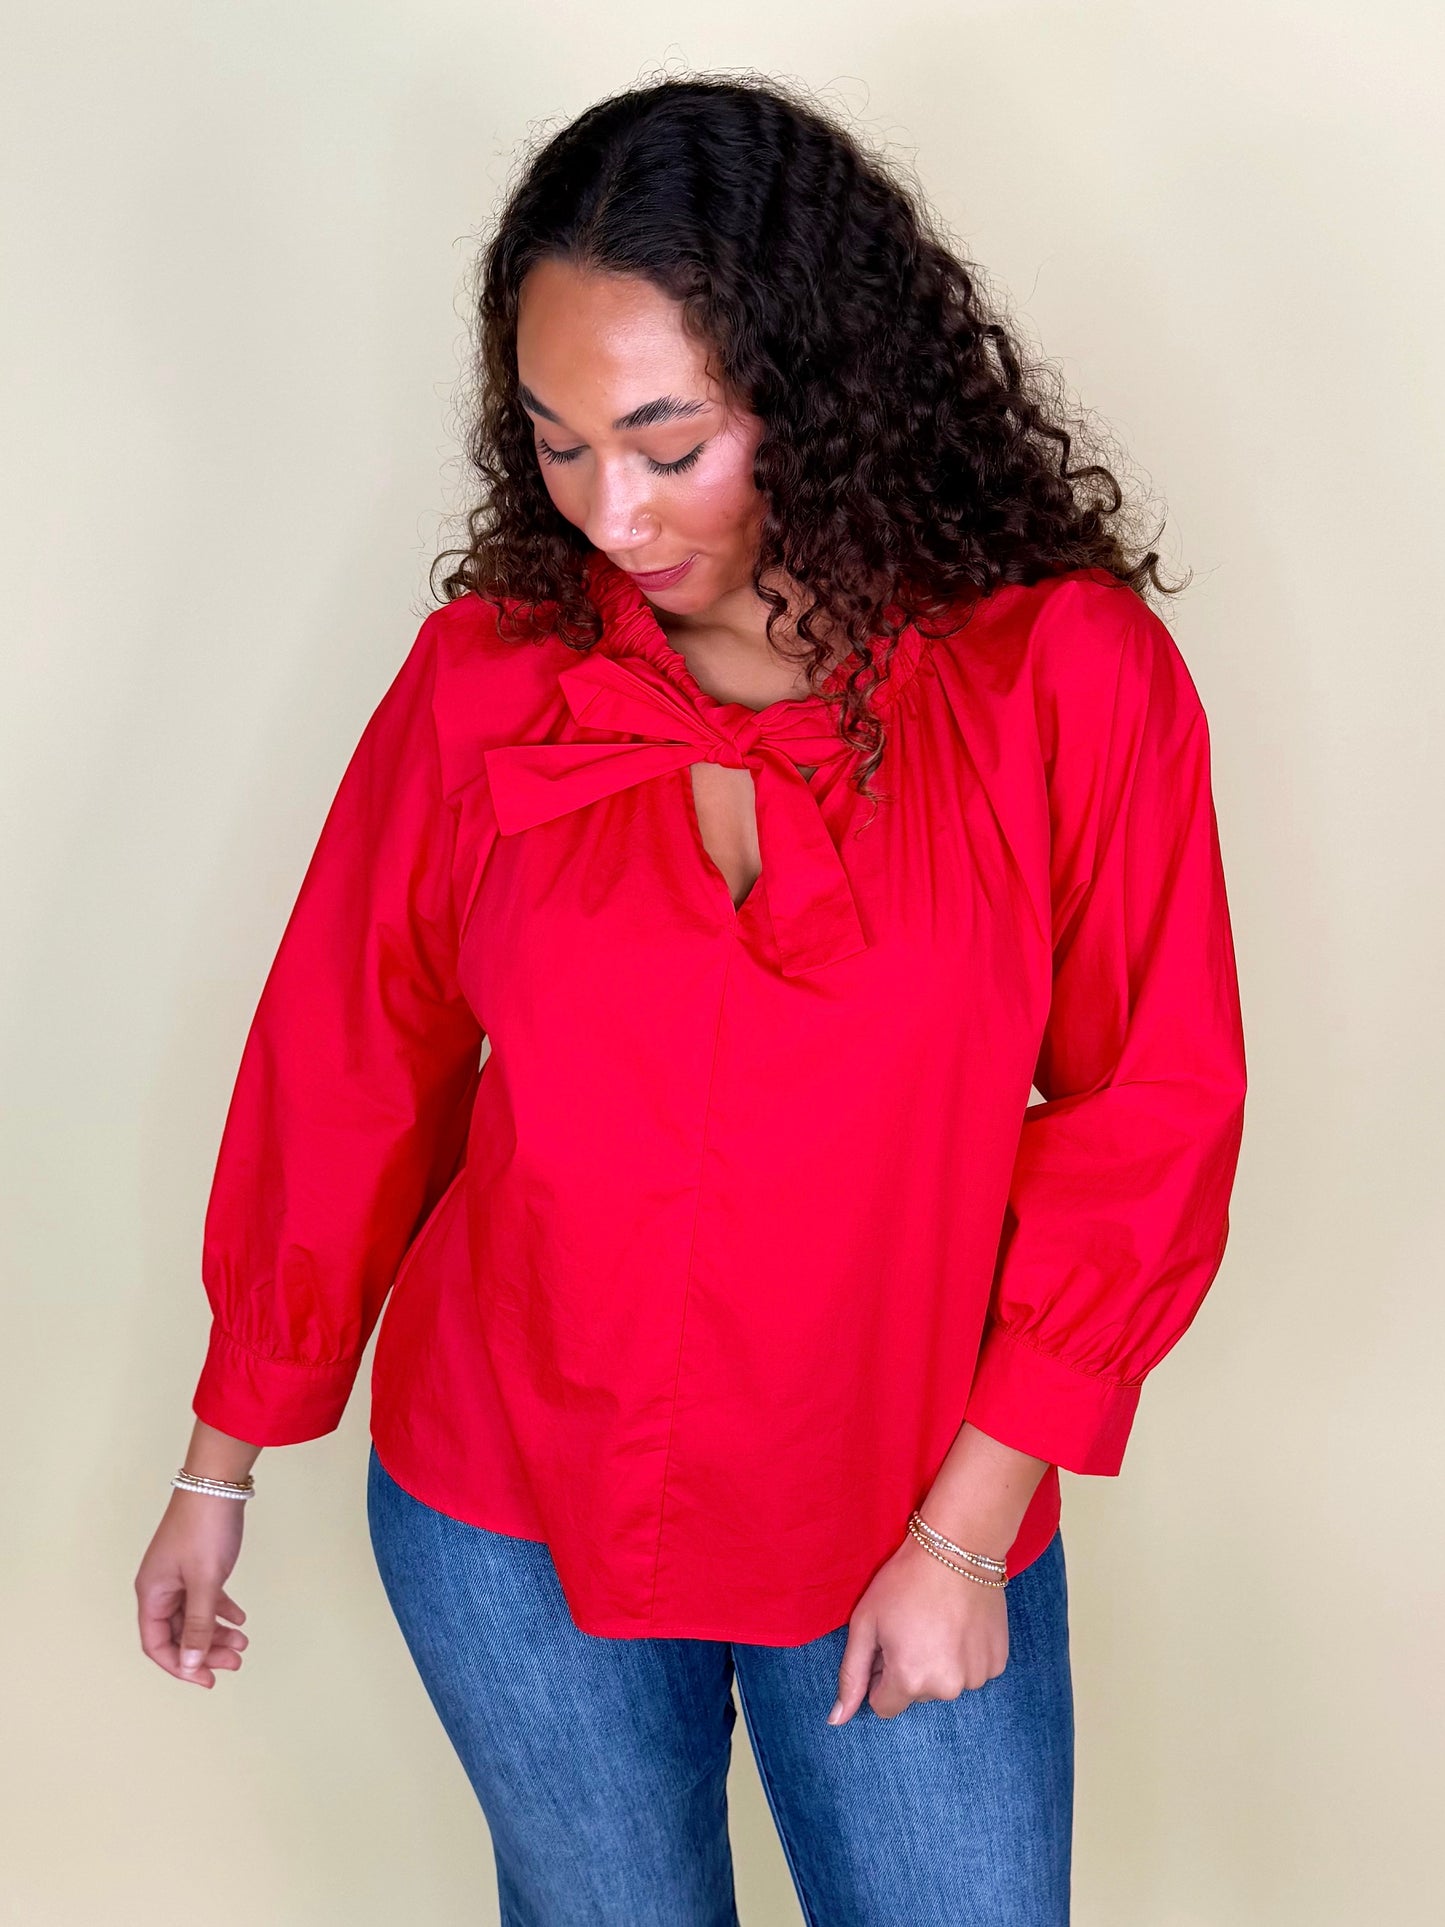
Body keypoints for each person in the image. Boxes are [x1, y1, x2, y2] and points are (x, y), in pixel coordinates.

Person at [134, 73, 1247, 1925]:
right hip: (508, 1495)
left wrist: (965, 1537)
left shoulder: (1065, 678)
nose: (612, 510)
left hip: (896, 1496)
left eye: (668, 439)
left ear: (819, 387)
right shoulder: (483, 683)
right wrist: (219, 1466)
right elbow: (348, 1059)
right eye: (558, 442)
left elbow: (1151, 1114)